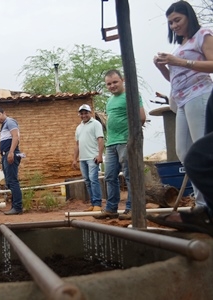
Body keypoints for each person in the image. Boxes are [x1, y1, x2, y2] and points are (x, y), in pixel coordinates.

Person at [153, 0, 213, 208]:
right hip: (181, 101)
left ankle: (206, 205)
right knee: (185, 153)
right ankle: (202, 204)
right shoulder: (180, 46)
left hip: (200, 95)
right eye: (170, 23)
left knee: (203, 152)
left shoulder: (202, 35)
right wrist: (162, 67)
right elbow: (176, 80)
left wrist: (179, 61)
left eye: (177, 20)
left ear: (189, 17)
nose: (174, 26)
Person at [147, 92, 213, 236]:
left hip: (196, 91)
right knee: (186, 154)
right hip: (183, 98)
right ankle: (206, 212)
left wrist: (185, 66)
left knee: (198, 159)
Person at [93, 70, 146, 221]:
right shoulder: (110, 101)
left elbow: (141, 117)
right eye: (109, 84)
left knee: (130, 176)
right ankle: (111, 208)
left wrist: (132, 137)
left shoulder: (131, 95)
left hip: (126, 142)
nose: (112, 86)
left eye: (115, 82)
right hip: (111, 143)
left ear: (122, 80)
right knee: (110, 176)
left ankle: (132, 208)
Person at [72, 104, 104, 212]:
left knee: (93, 179)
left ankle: (98, 204)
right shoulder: (79, 127)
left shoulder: (95, 124)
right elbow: (77, 144)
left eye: (86, 113)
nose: (84, 115)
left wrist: (100, 155)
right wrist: (74, 159)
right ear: (79, 115)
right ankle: (93, 203)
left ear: (90, 113)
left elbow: (100, 139)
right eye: (82, 113)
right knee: (87, 181)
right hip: (83, 159)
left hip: (93, 157)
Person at [0, 107, 23, 215]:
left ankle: (17, 207)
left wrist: (11, 152)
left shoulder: (10, 121)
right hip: (5, 155)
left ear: (4, 113)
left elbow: (15, 136)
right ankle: (15, 206)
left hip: (11, 154)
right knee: (9, 182)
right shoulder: (3, 125)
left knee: (13, 182)